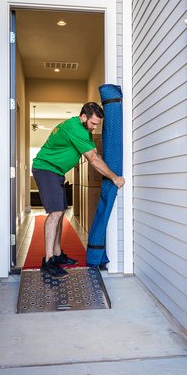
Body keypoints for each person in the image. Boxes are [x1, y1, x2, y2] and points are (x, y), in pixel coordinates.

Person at [32, 102, 125, 277]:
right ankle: (48, 261)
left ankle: (58, 255)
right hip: (46, 169)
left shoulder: (83, 129)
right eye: (93, 123)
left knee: (60, 212)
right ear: (84, 117)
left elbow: (95, 152)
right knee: (55, 214)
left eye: (98, 124)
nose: (95, 127)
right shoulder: (76, 129)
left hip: (56, 171)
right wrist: (114, 177)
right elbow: (93, 159)